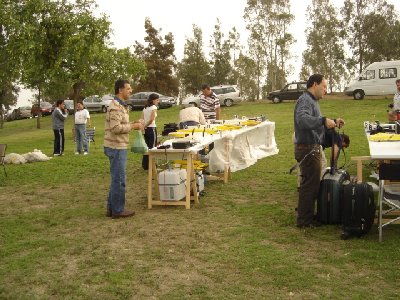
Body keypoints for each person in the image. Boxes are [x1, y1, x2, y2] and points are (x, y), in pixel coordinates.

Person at [294, 74, 345, 228]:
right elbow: (302, 120)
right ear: (314, 84)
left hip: (311, 147)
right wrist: (323, 120)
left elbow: (315, 121)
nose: (326, 90)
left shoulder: (312, 101)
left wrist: (332, 121)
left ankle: (307, 217)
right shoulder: (305, 100)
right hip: (308, 148)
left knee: (312, 184)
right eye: (324, 86)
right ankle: (304, 221)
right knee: (309, 185)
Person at [104, 79, 144, 219]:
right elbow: (115, 128)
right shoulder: (115, 106)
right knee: (119, 179)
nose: (131, 90)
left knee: (116, 178)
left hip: (118, 146)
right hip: (116, 147)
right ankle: (117, 210)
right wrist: (133, 127)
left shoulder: (121, 106)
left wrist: (134, 123)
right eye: (128, 88)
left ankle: (111, 208)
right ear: (120, 90)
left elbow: (122, 124)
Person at [141, 93, 160, 170]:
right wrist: (145, 125)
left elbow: (141, 118)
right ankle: (152, 166)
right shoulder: (153, 107)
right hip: (151, 128)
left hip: (146, 130)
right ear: (153, 100)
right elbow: (152, 119)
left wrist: (143, 126)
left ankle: (145, 165)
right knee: (152, 147)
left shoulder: (145, 108)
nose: (158, 101)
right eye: (157, 100)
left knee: (147, 147)